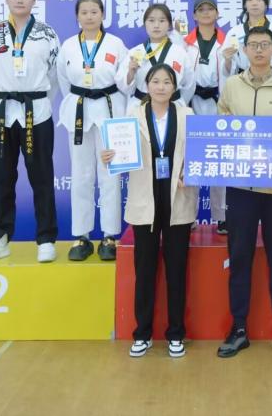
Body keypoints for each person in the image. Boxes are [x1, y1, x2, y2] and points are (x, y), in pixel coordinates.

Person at [216, 26, 272, 361]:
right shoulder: (231, 86)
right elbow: (221, 130)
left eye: (264, 45)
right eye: (253, 45)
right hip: (241, 188)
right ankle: (239, 328)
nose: (258, 50)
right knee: (239, 257)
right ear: (244, 50)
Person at [103, 63, 197, 358]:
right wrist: (110, 156)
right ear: (146, 85)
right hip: (145, 200)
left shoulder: (187, 115)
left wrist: (189, 173)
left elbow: (197, 153)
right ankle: (142, 333)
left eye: (166, 82)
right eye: (155, 81)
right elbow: (121, 155)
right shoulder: (132, 116)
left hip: (177, 198)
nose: (160, 87)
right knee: (144, 271)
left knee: (177, 271)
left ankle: (176, 334)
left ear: (174, 87)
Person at [0, 0, 61, 264]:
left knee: (42, 178)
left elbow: (55, 75)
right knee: (1, 178)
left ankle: (46, 239)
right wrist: (4, 94)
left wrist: (39, 99)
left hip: (37, 113)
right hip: (1, 114)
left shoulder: (47, 34)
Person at [57, 0, 128, 262]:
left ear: (102, 15)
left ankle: (110, 235)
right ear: (77, 16)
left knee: (110, 173)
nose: (89, 16)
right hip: (79, 111)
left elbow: (125, 80)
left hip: (110, 110)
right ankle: (81, 235)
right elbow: (64, 81)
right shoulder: (68, 46)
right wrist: (81, 97)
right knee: (81, 173)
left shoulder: (115, 44)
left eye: (94, 11)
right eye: (84, 12)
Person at [184, 0, 229, 234]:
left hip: (217, 103)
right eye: (200, 9)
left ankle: (221, 216)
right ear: (194, 15)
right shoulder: (184, 43)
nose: (205, 13)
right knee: (191, 160)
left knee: (218, 160)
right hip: (191, 103)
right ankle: (188, 215)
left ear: (217, 13)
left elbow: (233, 71)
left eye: (210, 9)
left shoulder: (228, 41)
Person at [117, 3, 195, 114]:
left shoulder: (180, 52)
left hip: (173, 107)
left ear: (169, 25)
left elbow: (189, 85)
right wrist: (131, 73)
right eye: (151, 20)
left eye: (162, 21)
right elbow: (123, 85)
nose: (156, 25)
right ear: (145, 24)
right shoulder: (135, 52)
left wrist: (174, 99)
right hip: (141, 108)